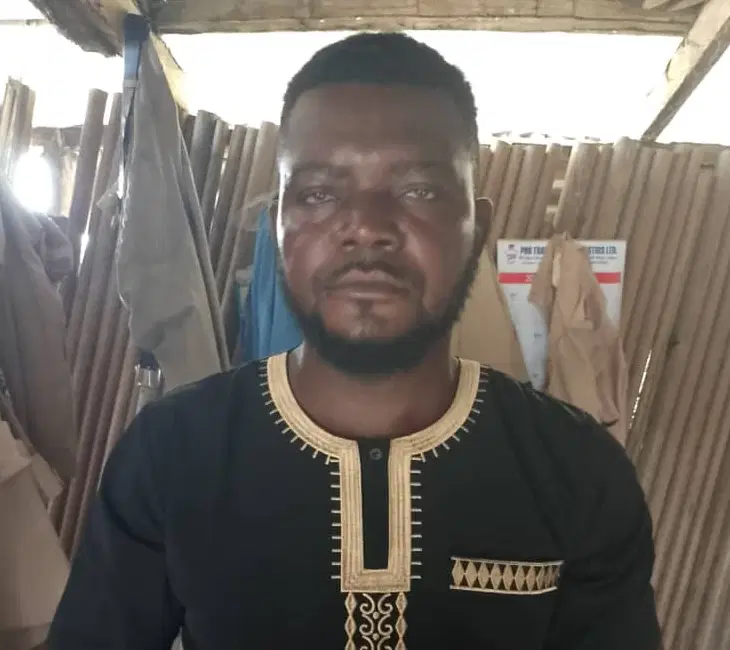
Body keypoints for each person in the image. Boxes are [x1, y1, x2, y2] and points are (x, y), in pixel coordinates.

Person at [48, 33, 660, 650]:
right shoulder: (171, 456)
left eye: (419, 190)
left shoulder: (578, 472)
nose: (366, 226)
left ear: (477, 230)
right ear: (278, 229)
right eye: (319, 193)